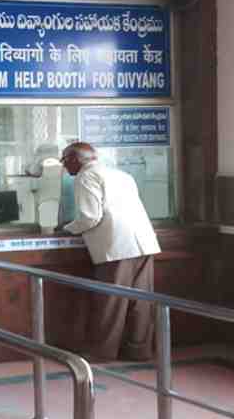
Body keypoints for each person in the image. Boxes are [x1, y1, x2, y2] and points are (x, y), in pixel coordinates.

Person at [59, 141, 161, 362]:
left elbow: (89, 216)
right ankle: (139, 350)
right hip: (144, 242)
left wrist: (66, 228)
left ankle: (102, 352)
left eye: (65, 159)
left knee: (111, 301)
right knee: (141, 301)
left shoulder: (86, 176)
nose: (63, 165)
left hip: (117, 245)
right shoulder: (121, 174)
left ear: (76, 159)